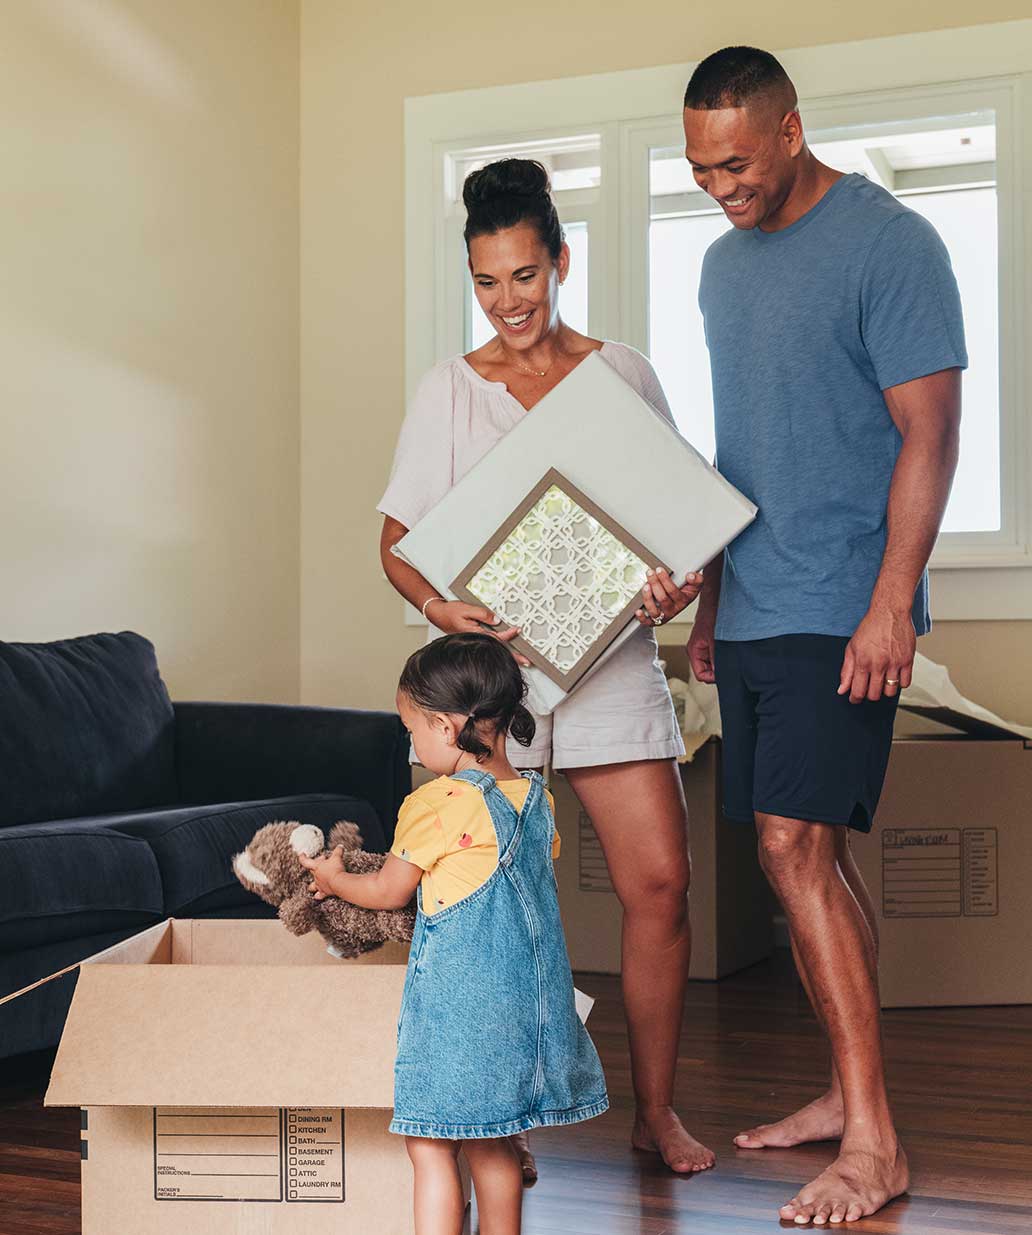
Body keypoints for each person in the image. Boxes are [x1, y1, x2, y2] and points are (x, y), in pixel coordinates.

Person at [377, 157, 714, 1175]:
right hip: (490, 688)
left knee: (659, 883)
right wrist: (440, 605)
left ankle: (655, 1111)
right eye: (486, 281)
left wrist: (674, 584)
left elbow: (678, 523)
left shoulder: (624, 374)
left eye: (523, 275)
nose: (506, 300)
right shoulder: (449, 391)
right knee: (482, 904)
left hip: (609, 665)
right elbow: (396, 540)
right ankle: (495, 1124)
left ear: (560, 262)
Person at [684, 47, 965, 1225]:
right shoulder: (718, 268)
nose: (720, 187)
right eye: (701, 169)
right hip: (751, 600)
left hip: (843, 603)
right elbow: (745, 444)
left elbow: (930, 432)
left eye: (737, 162)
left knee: (797, 847)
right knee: (799, 858)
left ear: (792, 129)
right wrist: (707, 597)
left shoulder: (892, 245)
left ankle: (877, 1146)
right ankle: (847, 1098)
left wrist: (893, 599)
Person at [301, 632, 608, 1235]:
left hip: (459, 1013)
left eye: (411, 730)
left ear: (445, 727)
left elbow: (389, 891)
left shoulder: (436, 803)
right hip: (527, 1009)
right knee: (493, 1144)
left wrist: (335, 882)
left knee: (431, 1143)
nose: (412, 746)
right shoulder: (537, 801)